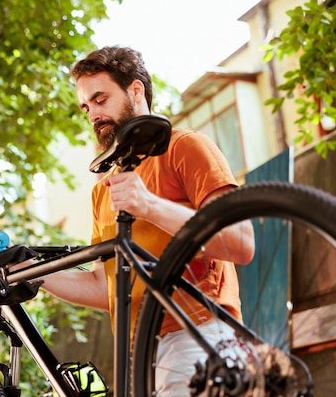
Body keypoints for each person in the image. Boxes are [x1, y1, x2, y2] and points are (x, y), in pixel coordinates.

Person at [38, 46, 255, 396]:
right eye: (86, 106)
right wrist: (36, 275)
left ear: (135, 91)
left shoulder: (185, 147)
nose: (93, 113)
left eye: (100, 99)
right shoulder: (102, 191)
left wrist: (149, 205)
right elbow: (105, 286)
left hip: (196, 336)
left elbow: (240, 241)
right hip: (136, 356)